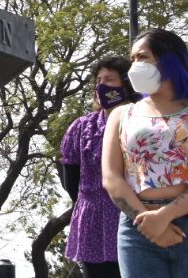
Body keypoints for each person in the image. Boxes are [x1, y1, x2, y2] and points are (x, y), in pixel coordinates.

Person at [102, 28, 188, 278]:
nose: (135, 65)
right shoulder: (120, 115)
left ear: (170, 60)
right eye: (133, 59)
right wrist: (149, 223)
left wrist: (164, 217)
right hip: (137, 230)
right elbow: (111, 178)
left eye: (143, 57)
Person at [60, 55, 141, 278]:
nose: (102, 85)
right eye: (99, 80)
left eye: (110, 80)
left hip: (135, 215)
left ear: (127, 84)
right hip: (92, 219)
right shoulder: (81, 127)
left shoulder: (145, 122)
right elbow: (70, 178)